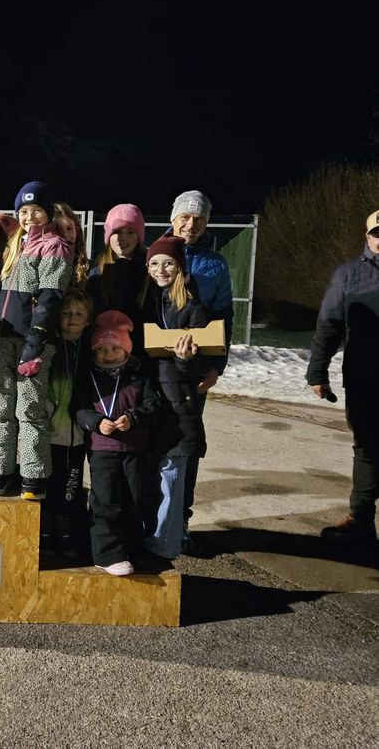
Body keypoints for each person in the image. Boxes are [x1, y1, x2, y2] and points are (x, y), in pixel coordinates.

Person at [0, 181, 73, 500]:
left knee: (30, 408)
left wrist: (36, 341)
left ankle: (33, 475)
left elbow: (50, 297)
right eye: (23, 211)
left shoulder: (53, 245)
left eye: (36, 211)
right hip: (4, 340)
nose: (29, 217)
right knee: (1, 407)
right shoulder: (15, 245)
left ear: (47, 213)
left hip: (31, 343)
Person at [306, 208, 379, 545]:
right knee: (366, 447)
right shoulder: (348, 275)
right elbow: (329, 324)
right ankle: (361, 520)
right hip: (364, 377)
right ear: (367, 237)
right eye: (377, 233)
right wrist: (317, 371)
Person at [166, 190, 233, 549]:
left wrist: (217, 366)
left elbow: (225, 317)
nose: (190, 225)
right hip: (157, 364)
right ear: (173, 218)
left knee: (186, 441)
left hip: (195, 369)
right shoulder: (158, 253)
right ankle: (150, 515)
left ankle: (181, 518)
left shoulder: (215, 264)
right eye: (184, 217)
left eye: (198, 219)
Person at [75, 310, 159, 575]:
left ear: (126, 349)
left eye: (115, 348)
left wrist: (133, 418)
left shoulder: (139, 375)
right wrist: (96, 421)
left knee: (136, 499)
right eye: (102, 348)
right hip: (103, 450)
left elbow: (153, 405)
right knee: (106, 501)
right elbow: (78, 409)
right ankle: (106, 554)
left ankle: (132, 550)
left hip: (136, 449)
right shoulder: (87, 376)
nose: (108, 354)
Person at [142, 235, 209, 559]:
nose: (161, 269)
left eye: (167, 262)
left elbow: (200, 364)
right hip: (151, 401)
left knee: (170, 478)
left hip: (178, 405)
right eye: (154, 263)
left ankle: (163, 548)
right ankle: (148, 538)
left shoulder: (192, 307)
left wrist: (185, 359)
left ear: (180, 266)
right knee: (150, 477)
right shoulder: (146, 301)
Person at [44, 288, 93, 554]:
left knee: (71, 484)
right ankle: (45, 530)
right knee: (48, 482)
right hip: (50, 429)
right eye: (66, 313)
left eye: (78, 314)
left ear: (87, 319)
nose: (72, 318)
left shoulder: (90, 348)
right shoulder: (49, 346)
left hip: (77, 433)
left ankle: (65, 532)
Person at [86, 203, 148, 357]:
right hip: (104, 351)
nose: (123, 238)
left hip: (140, 351)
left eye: (130, 232)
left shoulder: (150, 270)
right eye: (117, 232)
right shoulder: (97, 272)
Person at [53, 203, 90, 287]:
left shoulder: (89, 269)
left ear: (77, 230)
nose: (65, 236)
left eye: (69, 228)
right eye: (58, 230)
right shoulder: (39, 265)